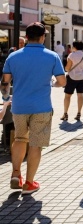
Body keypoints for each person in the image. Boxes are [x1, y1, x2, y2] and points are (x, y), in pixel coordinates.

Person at [1, 22, 66, 195]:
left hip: (19, 106)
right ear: (43, 37)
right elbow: (62, 82)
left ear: (27, 37)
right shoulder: (52, 56)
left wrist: (6, 98)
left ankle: (16, 173)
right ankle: (29, 183)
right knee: (36, 145)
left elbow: (5, 82)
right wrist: (53, 83)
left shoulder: (13, 57)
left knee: (20, 138)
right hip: (41, 107)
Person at [61, 41, 83, 121]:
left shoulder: (72, 55)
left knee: (67, 96)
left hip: (72, 77)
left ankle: (65, 113)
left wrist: (66, 69)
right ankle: (79, 113)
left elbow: (67, 68)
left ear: (75, 47)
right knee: (80, 95)